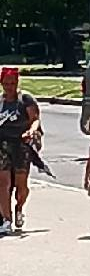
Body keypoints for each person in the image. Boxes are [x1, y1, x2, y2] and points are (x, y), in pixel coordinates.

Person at [0, 67, 40, 234]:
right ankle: (6, 220)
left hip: (21, 145)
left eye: (13, 83)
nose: (9, 87)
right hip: (2, 145)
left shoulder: (25, 100)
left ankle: (19, 208)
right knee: (3, 184)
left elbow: (35, 119)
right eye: (6, 83)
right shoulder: (0, 102)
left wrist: (31, 131)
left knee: (21, 184)